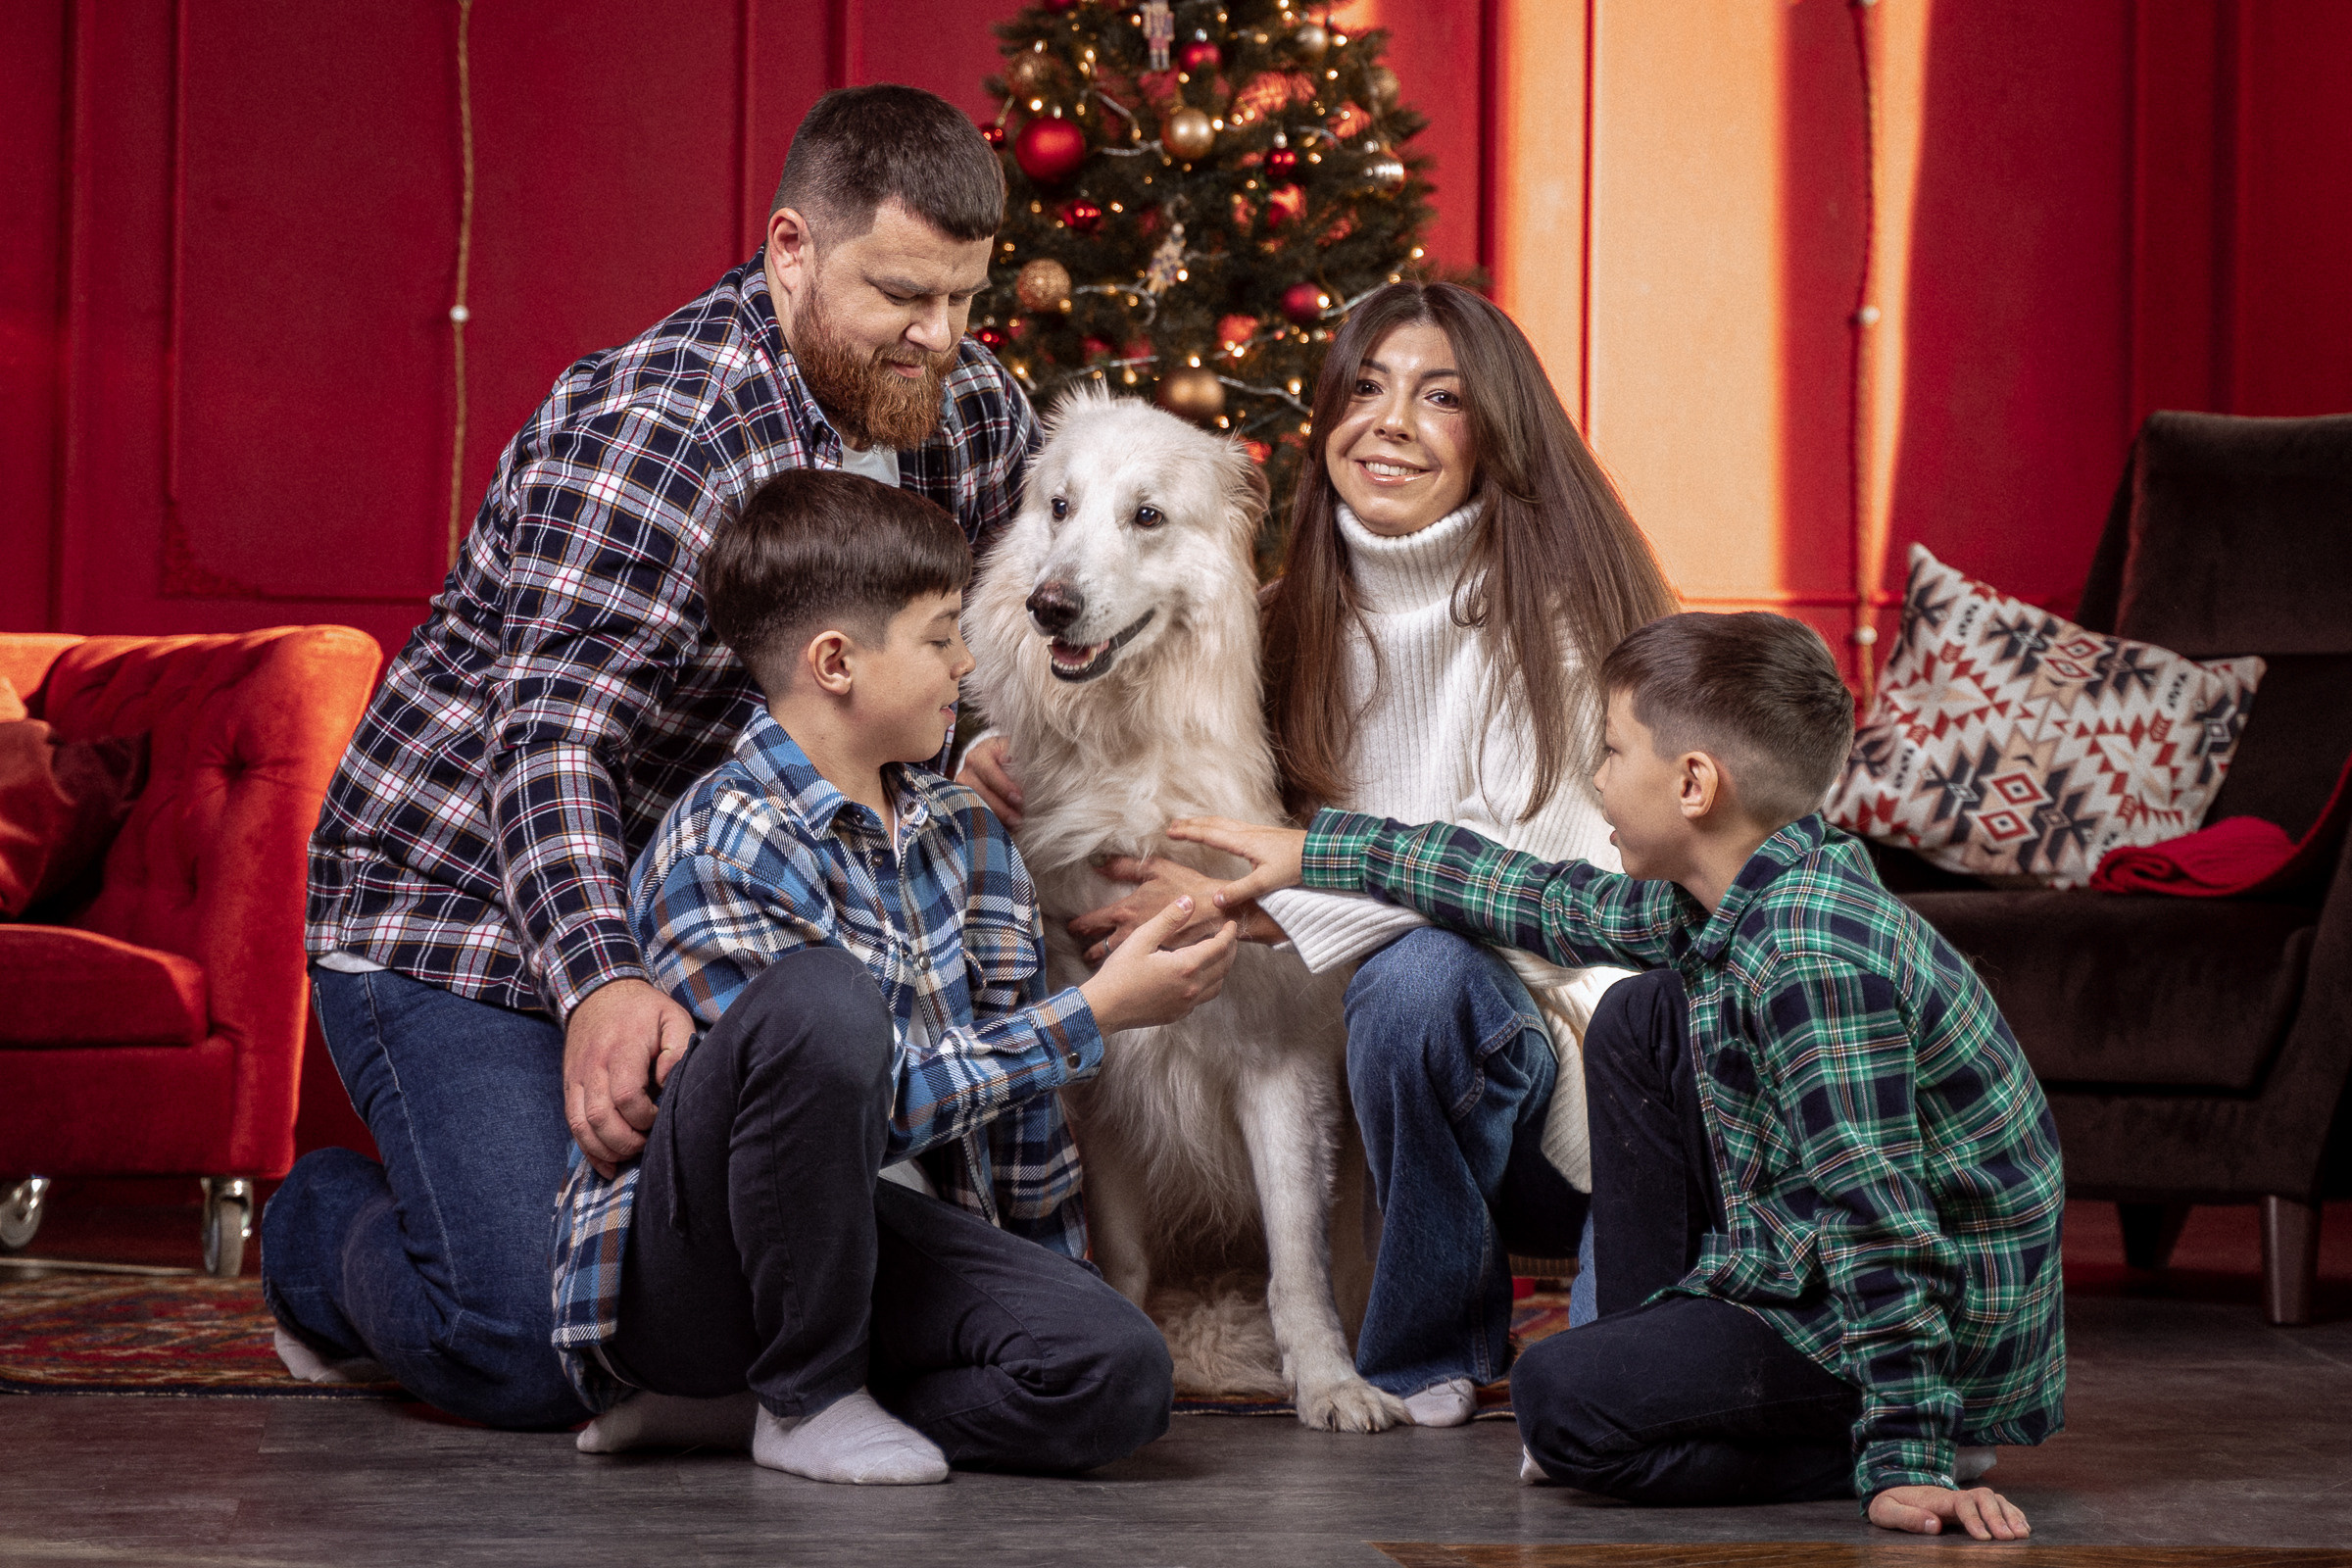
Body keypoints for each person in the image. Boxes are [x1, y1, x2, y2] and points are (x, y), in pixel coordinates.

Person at [265, 84, 1035, 1429]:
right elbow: (550, 736)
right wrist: (601, 980)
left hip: (718, 908)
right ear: (791, 249)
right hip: (467, 917)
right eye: (904, 294)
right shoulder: (658, 424)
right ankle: (313, 1238)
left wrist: (998, 742)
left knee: (709, 1310)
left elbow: (1011, 627)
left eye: (967, 299)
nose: (941, 338)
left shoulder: (964, 409)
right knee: (528, 1340)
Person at [1166, 611, 2062, 1542]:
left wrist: (1908, 1456)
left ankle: (1894, 1442)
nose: (1594, 778)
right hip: (1809, 1263)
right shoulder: (1739, 896)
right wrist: (1319, 855)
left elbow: (1881, 1223)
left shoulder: (1810, 955)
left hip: (1927, 1338)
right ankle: (1661, 1369)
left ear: (1693, 783)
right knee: (1638, 1016)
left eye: (1609, 750)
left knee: (1562, 1401)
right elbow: (1541, 899)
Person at [966, 281, 1677, 1426]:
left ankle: (1425, 1339)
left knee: (1414, 983)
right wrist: (983, 752)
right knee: (1383, 994)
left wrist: (1295, 895)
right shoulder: (1284, 621)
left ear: (1495, 427)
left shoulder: (1561, 615)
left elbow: (1554, 888)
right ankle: (1218, 1310)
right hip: (1399, 1100)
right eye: (1366, 386)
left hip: (1577, 1078)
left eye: (1438, 395)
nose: (1390, 419)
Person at [552, 469, 1229, 1482]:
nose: (969, 662)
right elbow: (841, 1108)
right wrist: (1092, 1010)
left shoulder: (966, 835)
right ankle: (802, 1393)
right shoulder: (720, 838)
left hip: (890, 1242)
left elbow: (1020, 1120)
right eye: (941, 636)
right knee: (827, 1004)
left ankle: (741, 1413)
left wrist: (1048, 1289)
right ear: (837, 663)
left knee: (1119, 1372)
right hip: (708, 1271)